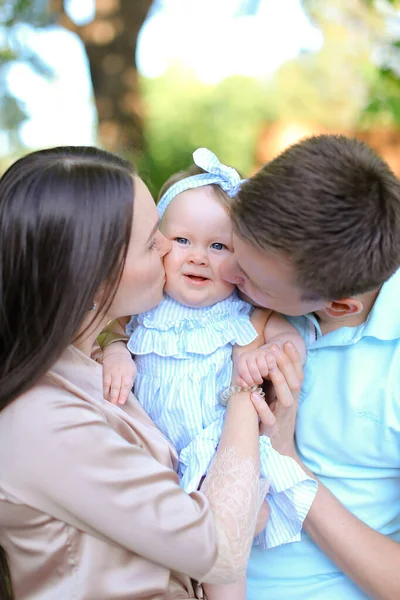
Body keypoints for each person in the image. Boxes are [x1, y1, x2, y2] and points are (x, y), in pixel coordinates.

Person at [0, 145, 303, 600]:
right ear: (93, 274)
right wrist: (243, 391)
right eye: (152, 241)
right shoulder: (43, 421)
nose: (170, 248)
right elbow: (219, 547)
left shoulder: (85, 368)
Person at [99, 148, 318, 600]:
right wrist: (117, 351)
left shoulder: (245, 311)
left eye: (219, 246)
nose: (198, 257)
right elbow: (111, 333)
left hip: (218, 453)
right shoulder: (146, 305)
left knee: (223, 551)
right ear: (157, 244)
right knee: (161, 560)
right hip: (156, 460)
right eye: (182, 241)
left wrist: (271, 353)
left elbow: (290, 340)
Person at [220, 134, 400, 600]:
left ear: (338, 306)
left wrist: (286, 460)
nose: (228, 277)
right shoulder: (241, 290)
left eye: (253, 280)